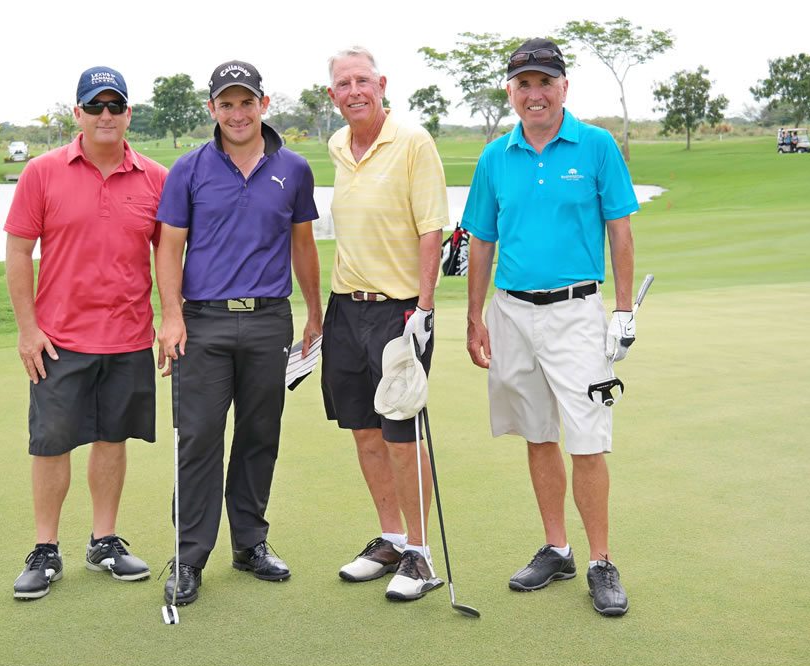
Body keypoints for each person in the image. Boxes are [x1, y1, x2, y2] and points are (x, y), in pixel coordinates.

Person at [462, 38, 639, 617]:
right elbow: (481, 240)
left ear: (564, 87)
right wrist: (474, 316)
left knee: (587, 438)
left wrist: (622, 310)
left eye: (545, 83)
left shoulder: (596, 145)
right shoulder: (495, 156)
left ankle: (600, 561)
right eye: (524, 85)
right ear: (510, 92)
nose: (534, 94)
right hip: (510, 312)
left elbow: (619, 228)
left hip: (576, 311)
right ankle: (557, 548)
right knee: (537, 434)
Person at [155, 60, 322, 607]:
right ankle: (188, 556)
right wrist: (172, 315)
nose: (237, 113)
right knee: (199, 436)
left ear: (263, 104)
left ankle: (249, 544)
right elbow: (169, 247)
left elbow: (302, 244)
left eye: (246, 102)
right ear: (212, 109)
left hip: (269, 319)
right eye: (226, 104)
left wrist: (314, 312)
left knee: (258, 435)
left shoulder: (294, 169)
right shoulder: (189, 168)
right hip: (203, 321)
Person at [5, 66, 167, 600]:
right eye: (94, 106)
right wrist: (27, 329)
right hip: (59, 339)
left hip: (128, 336)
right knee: (51, 444)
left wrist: (173, 317)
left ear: (128, 114)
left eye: (115, 106)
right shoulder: (42, 172)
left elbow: (169, 255)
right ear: (77, 113)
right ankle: (45, 548)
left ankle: (103, 541)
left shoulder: (155, 178)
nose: (105, 115)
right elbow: (18, 251)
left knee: (112, 439)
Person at [321, 46, 449, 601]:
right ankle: (393, 539)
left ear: (381, 84)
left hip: (399, 311)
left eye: (362, 81)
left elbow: (431, 230)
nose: (354, 91)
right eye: (343, 84)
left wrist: (424, 308)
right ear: (333, 95)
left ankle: (420, 554)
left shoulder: (413, 141)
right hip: (345, 308)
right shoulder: (337, 145)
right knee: (364, 430)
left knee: (401, 434)